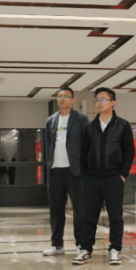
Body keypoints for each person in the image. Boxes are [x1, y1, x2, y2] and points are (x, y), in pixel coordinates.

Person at [72, 88, 135, 267]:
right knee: (89, 217)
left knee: (115, 217)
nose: (99, 102)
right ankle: (86, 250)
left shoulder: (123, 125)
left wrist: (123, 175)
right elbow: (83, 152)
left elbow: (129, 151)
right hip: (92, 178)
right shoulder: (90, 127)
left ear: (112, 102)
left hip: (114, 177)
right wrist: (85, 175)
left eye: (103, 99)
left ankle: (115, 249)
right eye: (97, 100)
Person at [42, 87, 90, 257]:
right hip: (55, 171)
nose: (62, 98)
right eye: (59, 96)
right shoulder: (51, 120)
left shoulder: (81, 119)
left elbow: (88, 143)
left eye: (66, 96)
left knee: (80, 209)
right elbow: (49, 144)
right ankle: (57, 245)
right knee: (55, 210)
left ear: (72, 100)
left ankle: (81, 245)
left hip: (75, 171)